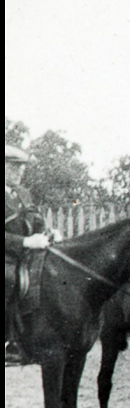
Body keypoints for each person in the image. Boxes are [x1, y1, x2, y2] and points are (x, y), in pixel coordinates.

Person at [5, 145, 50, 362]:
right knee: (10, 280)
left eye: (21, 167)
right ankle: (7, 342)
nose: (20, 172)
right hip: (7, 256)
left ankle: (36, 338)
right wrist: (25, 241)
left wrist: (48, 233)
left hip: (26, 255)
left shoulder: (24, 193)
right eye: (14, 167)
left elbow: (37, 219)